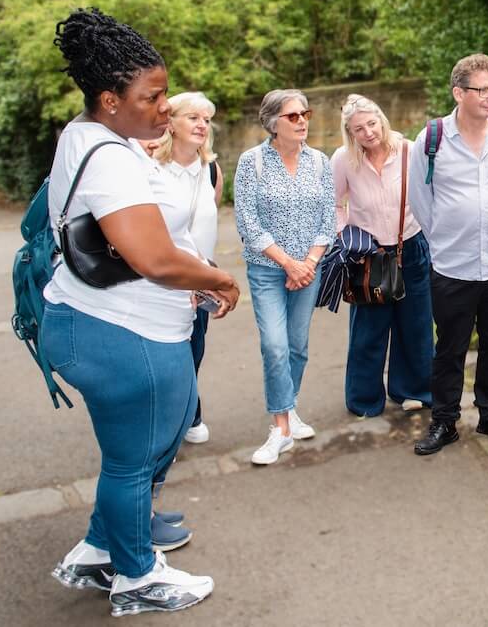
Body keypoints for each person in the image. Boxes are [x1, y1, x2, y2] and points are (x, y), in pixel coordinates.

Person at [44, 8, 239, 617]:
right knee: (135, 462)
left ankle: (100, 547)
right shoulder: (110, 158)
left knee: (140, 451)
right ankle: (137, 576)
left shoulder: (84, 135)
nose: (162, 108)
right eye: (151, 97)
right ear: (109, 99)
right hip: (121, 332)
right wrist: (217, 278)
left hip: (93, 322)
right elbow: (154, 257)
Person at [408, 54, 488, 455]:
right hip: (452, 266)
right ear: (458, 93)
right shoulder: (431, 140)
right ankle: (445, 422)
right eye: (482, 90)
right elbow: (421, 200)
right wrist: (449, 236)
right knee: (450, 347)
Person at [234, 89, 335, 465]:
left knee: (297, 346)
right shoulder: (252, 162)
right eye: (293, 116)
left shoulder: (320, 162)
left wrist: (307, 263)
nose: (303, 121)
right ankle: (280, 430)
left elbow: (328, 218)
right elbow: (247, 221)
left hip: (309, 268)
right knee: (274, 346)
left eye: (304, 114)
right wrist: (288, 264)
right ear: (272, 123)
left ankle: (288, 409)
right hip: (267, 271)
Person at [330, 94, 433, 417]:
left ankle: (413, 391)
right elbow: (333, 204)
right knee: (368, 332)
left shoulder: (409, 150)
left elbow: (430, 194)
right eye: (358, 129)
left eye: (372, 124)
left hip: (411, 248)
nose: (368, 133)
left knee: (415, 326)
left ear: (382, 120)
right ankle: (364, 400)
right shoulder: (344, 159)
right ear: (350, 132)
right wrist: (347, 236)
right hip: (369, 254)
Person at [151, 92, 223, 445]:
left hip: (201, 283)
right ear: (171, 123)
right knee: (165, 359)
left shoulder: (211, 169)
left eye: (206, 120)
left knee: (194, 351)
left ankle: (190, 414)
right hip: (161, 282)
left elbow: (206, 226)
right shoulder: (150, 168)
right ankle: (166, 429)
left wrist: (207, 277)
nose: (202, 125)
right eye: (193, 117)